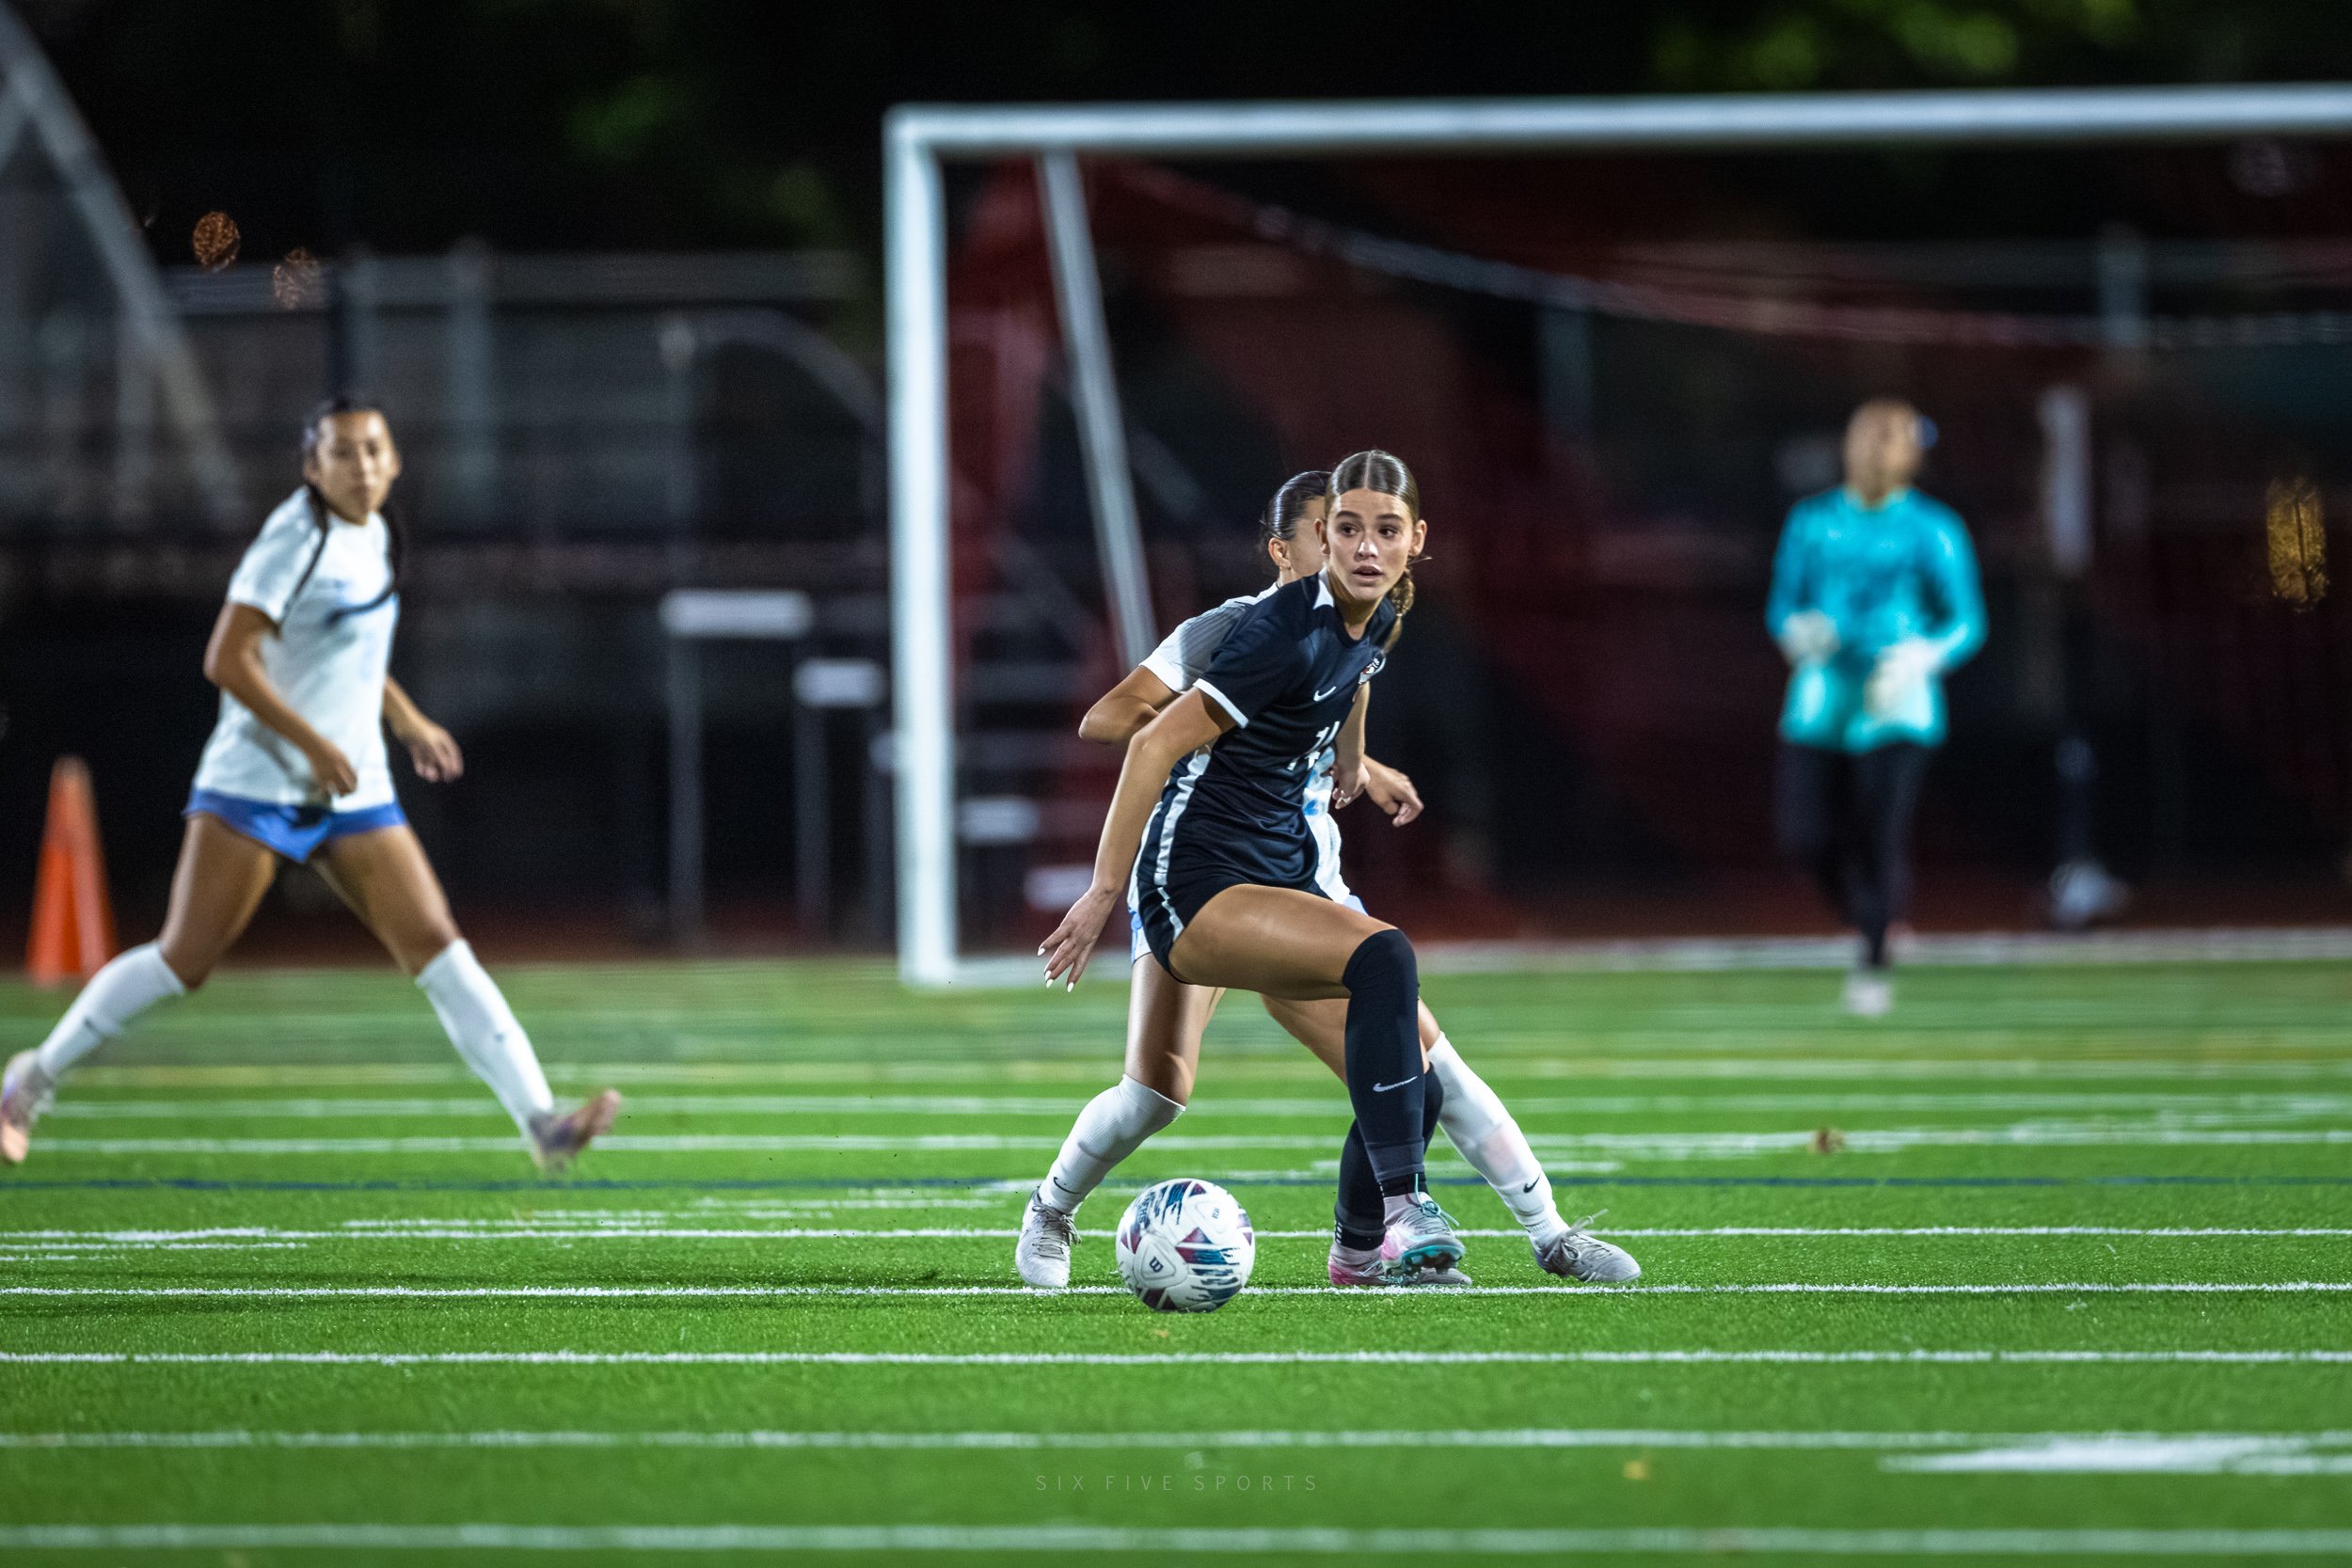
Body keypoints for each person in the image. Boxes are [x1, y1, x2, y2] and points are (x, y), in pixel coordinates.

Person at [1017, 471, 1637, 1290]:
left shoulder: (1369, 615)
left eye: (1374, 531)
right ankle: (1051, 1209)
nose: (1357, 549)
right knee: (1155, 1094)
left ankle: (1522, 1235)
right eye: (1335, 532)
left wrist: (1358, 763)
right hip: (1202, 872)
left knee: (1423, 1073)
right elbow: (1115, 721)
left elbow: (1351, 674)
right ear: (1289, 549)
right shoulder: (1240, 631)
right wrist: (1211, 719)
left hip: (1301, 876)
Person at [1, 396, 619, 1169]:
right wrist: (313, 743)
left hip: (352, 786)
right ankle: (29, 1080)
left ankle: (541, 1122)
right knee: (183, 959)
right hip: (258, 780)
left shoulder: (379, 531)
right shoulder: (295, 538)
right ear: (311, 466)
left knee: (438, 946)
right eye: (342, 452)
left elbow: (346, 651)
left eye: (373, 450)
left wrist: (405, 718)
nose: (361, 466)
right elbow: (226, 658)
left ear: (394, 461)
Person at [1768, 398, 1986, 1017]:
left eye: (1889, 441)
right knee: (1805, 834)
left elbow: (1966, 619)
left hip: (1895, 695)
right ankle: (1871, 916)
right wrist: (1799, 634)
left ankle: (1872, 959)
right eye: (1868, 438)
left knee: (1879, 832)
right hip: (1823, 695)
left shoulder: (1932, 527)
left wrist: (1923, 657)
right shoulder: (1813, 522)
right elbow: (1783, 606)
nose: (1874, 452)